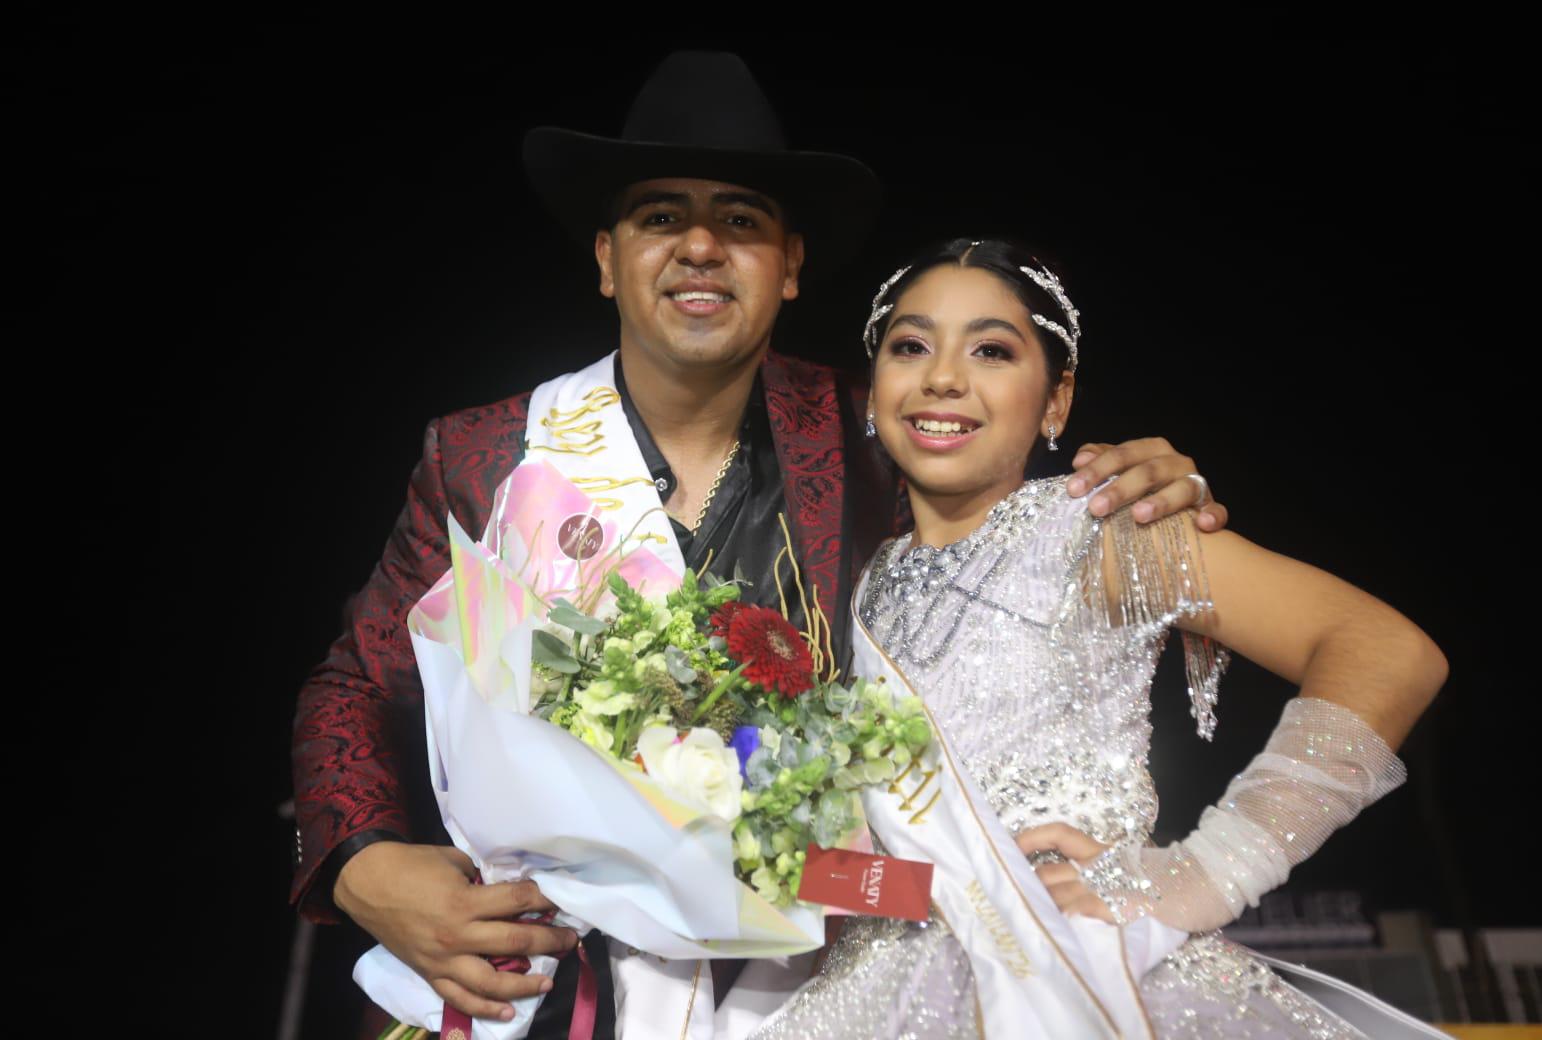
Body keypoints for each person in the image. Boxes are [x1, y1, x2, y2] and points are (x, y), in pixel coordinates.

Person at [290, 55, 1224, 1037]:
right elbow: (355, 682)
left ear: (790, 265)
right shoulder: (488, 452)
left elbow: (1031, 544)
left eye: (740, 219)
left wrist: (1141, 488)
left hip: (814, 987)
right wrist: (361, 863)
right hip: (529, 981)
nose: (699, 245)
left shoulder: (883, 440)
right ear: (607, 257)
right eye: (660, 216)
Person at [750, 238, 1449, 1039]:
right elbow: (883, 875)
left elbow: (1386, 652)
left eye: (991, 349)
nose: (943, 375)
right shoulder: (855, 585)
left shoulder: (1099, 531)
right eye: (910, 346)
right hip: (877, 992)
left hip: (1079, 975)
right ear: (873, 390)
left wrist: (1207, 872)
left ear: (1055, 401)